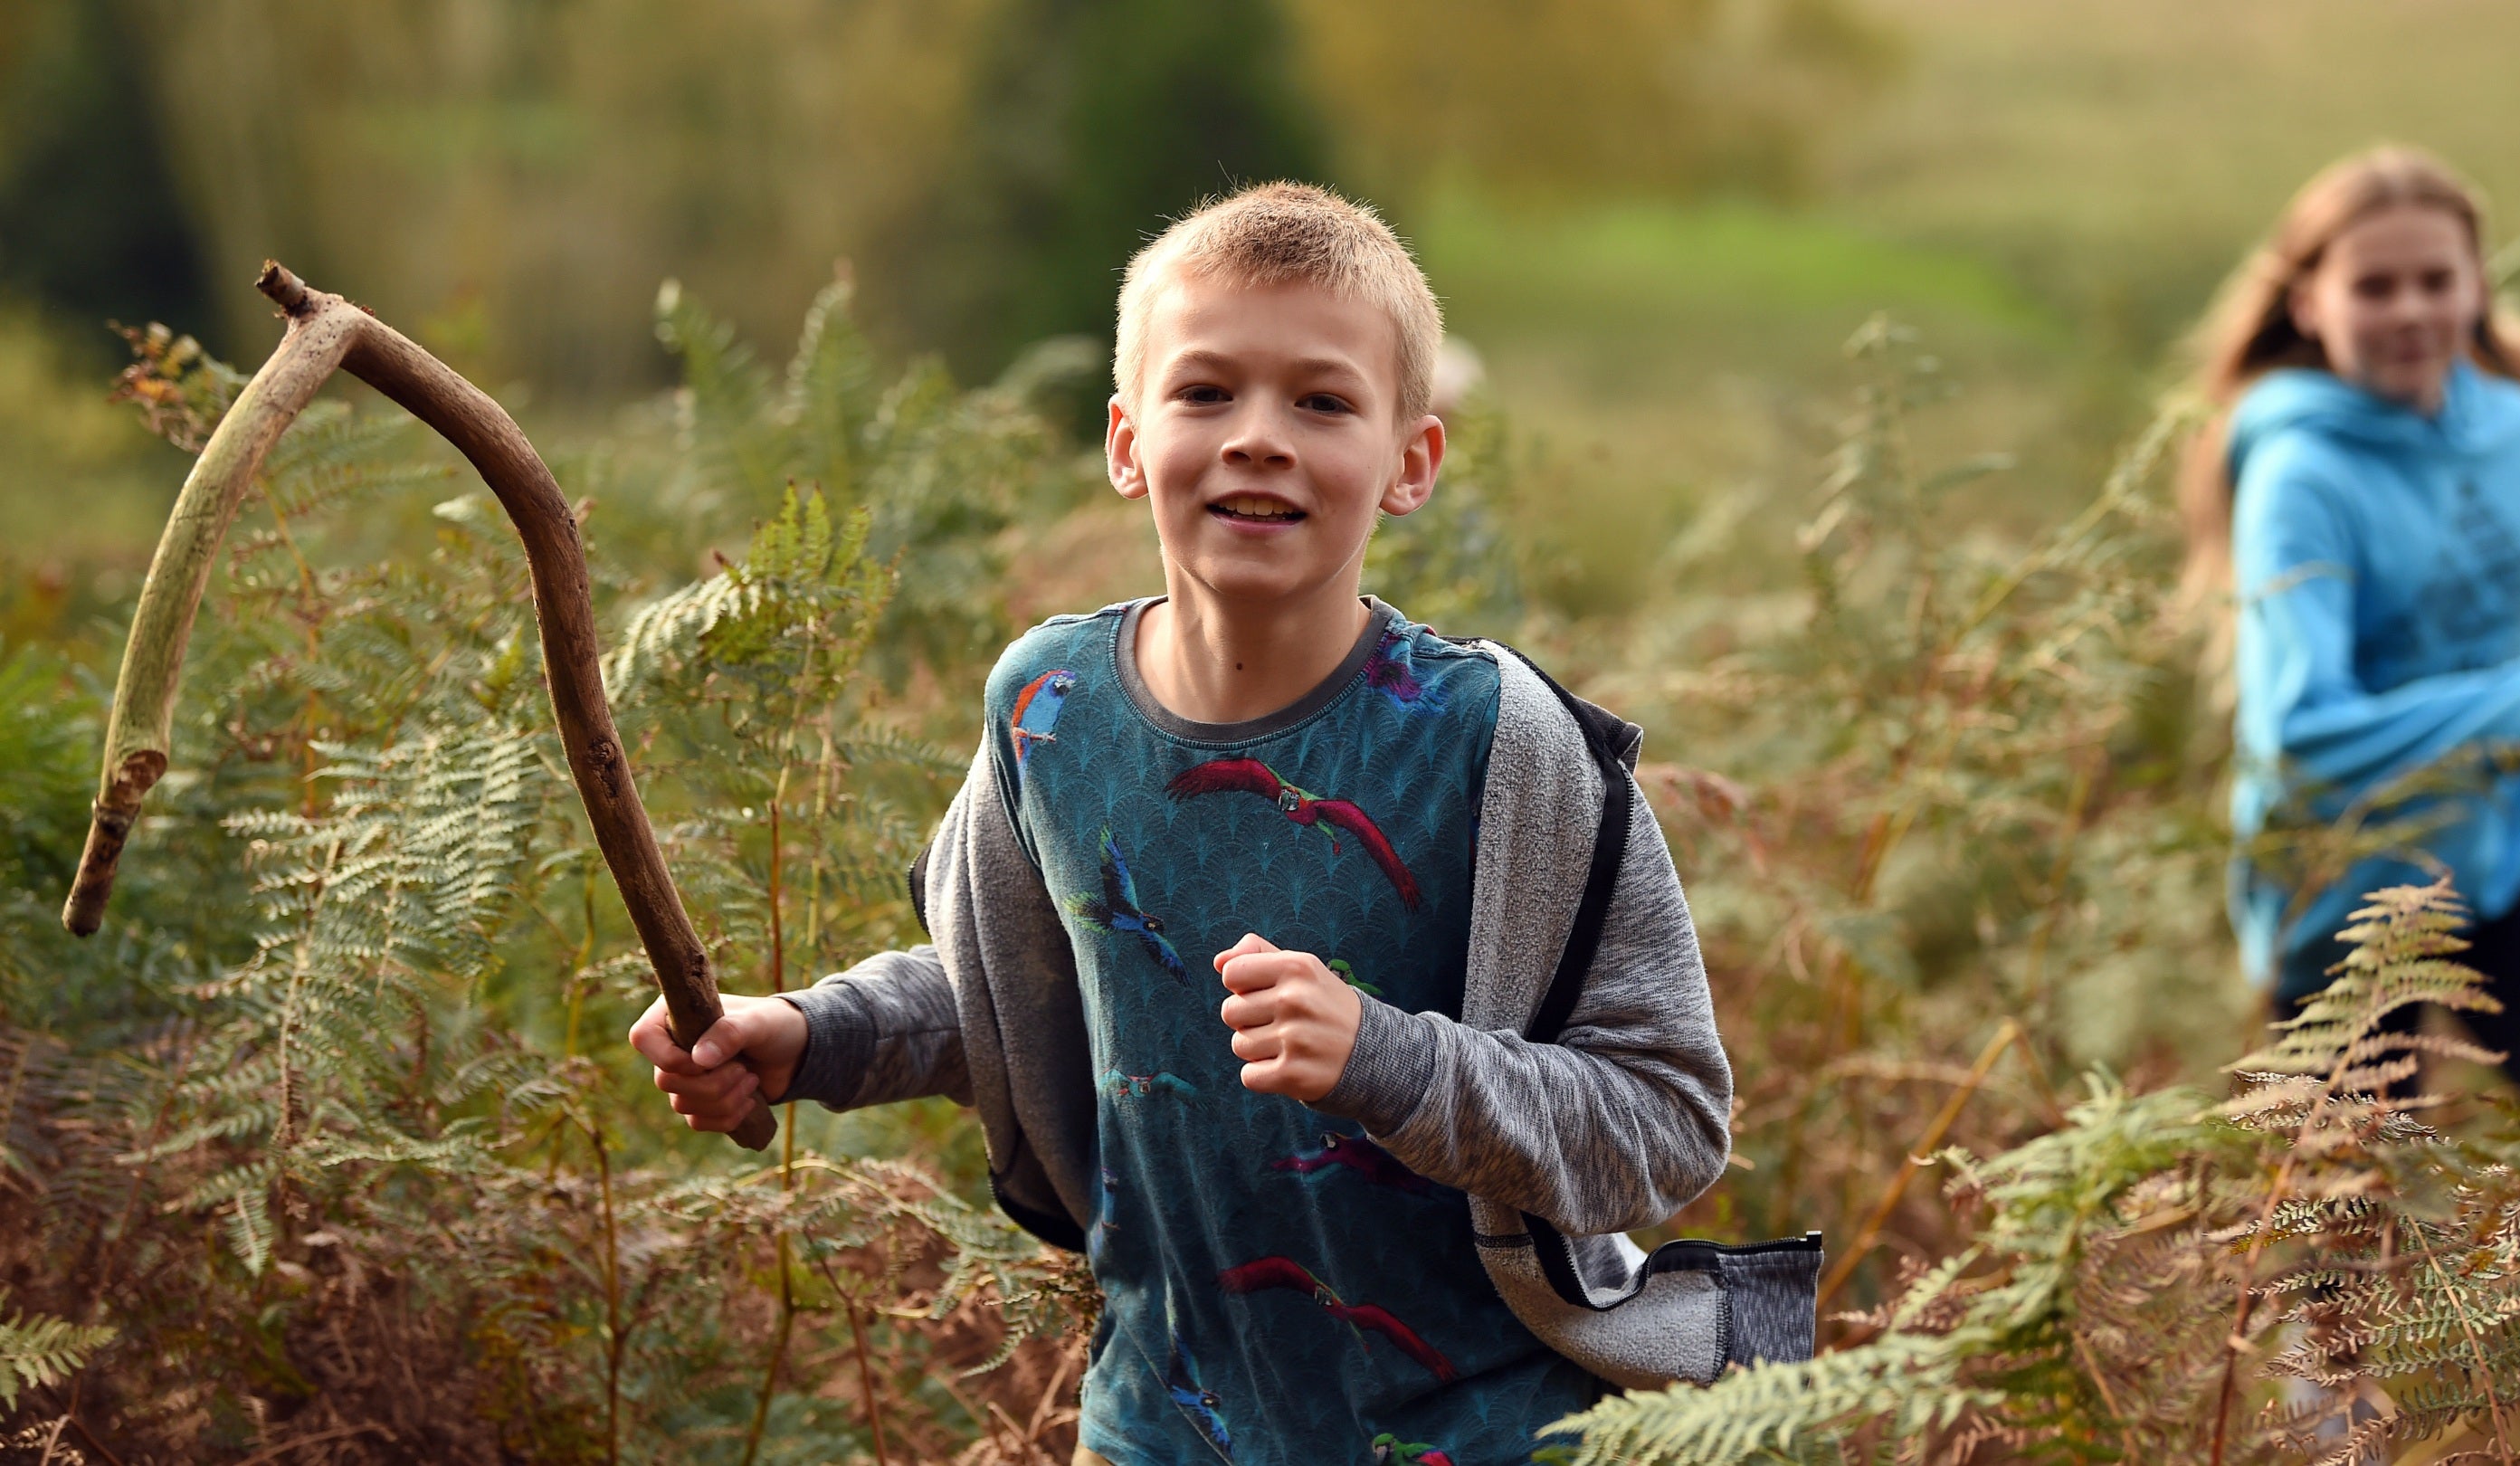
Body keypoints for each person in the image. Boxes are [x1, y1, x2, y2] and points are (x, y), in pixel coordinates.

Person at [629, 183, 1735, 1463]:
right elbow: (1034, 981)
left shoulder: (1502, 747)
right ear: (1125, 440)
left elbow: (1668, 1121)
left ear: (1411, 461)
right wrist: (815, 1033)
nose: (1258, 438)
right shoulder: (1048, 713)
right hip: (1158, 1427)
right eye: (1206, 392)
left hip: (1487, 1433)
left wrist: (1387, 1059)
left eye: (1322, 402)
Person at [2182, 146, 2520, 1100]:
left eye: (2434, 280)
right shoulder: (2303, 477)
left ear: (2476, 288)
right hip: (2346, 888)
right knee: (2334, 1228)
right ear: (2309, 303)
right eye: (2375, 286)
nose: (2411, 309)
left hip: (2511, 857)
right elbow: (2302, 734)